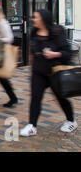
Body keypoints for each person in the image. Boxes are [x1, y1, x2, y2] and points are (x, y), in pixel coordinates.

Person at [20, 9, 77, 137]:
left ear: (43, 19)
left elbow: (68, 53)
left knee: (61, 98)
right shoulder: (34, 32)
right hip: (38, 71)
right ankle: (32, 125)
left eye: (36, 17)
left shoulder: (57, 33)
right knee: (35, 97)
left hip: (55, 72)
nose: (33, 19)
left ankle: (71, 120)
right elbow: (33, 51)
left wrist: (54, 54)